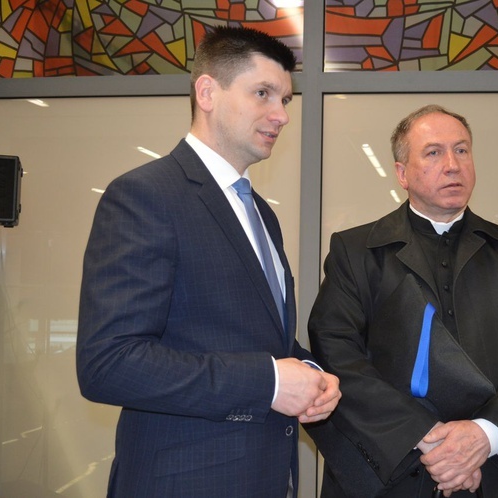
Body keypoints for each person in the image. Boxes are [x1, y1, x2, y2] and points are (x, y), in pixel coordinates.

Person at [76, 26, 340, 498]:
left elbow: (258, 338)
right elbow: (109, 363)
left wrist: (311, 374)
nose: (281, 115)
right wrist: (270, 381)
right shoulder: (144, 195)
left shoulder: (260, 212)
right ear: (207, 92)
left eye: (286, 101)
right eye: (263, 93)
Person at [305, 104, 498, 497]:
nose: (452, 165)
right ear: (401, 173)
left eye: (462, 150)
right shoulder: (356, 250)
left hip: (493, 472)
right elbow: (337, 352)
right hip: (388, 471)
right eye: (433, 152)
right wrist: (427, 439)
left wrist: (483, 436)